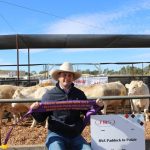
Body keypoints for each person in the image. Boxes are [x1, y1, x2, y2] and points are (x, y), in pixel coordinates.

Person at [30, 62, 104, 150]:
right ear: (58, 77)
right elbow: (40, 119)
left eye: (70, 75)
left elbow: (88, 111)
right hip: (56, 134)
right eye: (64, 75)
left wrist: (98, 106)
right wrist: (34, 110)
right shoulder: (50, 95)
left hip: (75, 135)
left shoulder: (79, 94)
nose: (67, 78)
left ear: (73, 78)